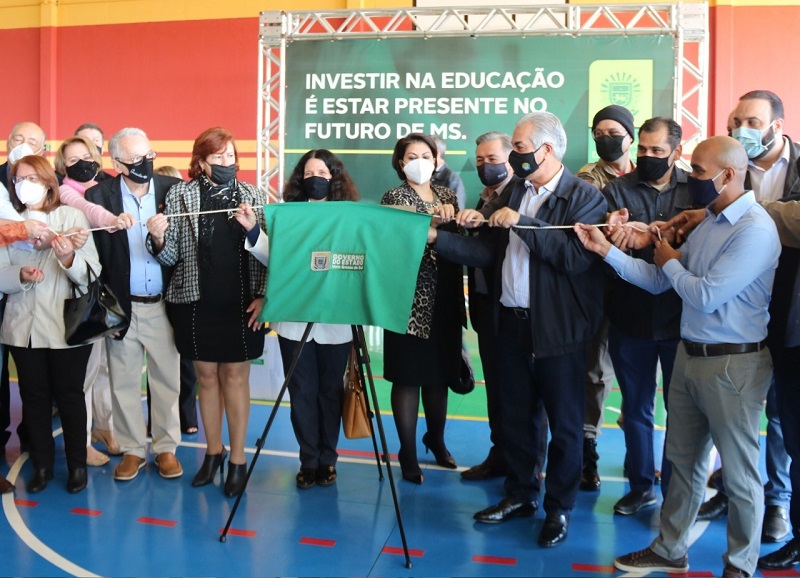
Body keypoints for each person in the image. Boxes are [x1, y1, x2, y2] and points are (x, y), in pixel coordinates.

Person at [576, 135, 779, 578]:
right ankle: (670, 548)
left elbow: (703, 295)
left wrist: (666, 256)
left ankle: (740, 565)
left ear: (728, 175)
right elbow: (656, 281)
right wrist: (605, 250)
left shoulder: (756, 230)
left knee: (741, 475)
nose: (693, 180)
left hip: (734, 364)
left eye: (701, 173)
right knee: (683, 464)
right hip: (691, 356)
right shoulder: (706, 223)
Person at [432, 112, 607, 547]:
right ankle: (521, 494)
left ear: (547, 150)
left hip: (559, 330)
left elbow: (573, 258)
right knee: (516, 418)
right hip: (509, 323)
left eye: (520, 147)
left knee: (565, 425)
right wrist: (441, 238)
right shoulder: (513, 190)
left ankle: (558, 508)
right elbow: (487, 254)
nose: (514, 155)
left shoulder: (584, 197)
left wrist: (523, 223)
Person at [694, 90, 798, 543]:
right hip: (737, 312)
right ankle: (732, 490)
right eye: (736, 120)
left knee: (781, 416)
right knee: (731, 410)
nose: (741, 128)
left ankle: (777, 499)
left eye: (752, 120)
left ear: (777, 125)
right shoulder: (728, 168)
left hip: (791, 313)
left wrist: (745, 208)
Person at [146, 127, 267, 497]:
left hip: (242, 303)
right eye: (219, 158)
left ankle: (238, 460)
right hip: (194, 302)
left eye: (231, 157)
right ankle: (213, 454)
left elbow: (267, 254)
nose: (227, 163)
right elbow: (171, 257)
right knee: (206, 378)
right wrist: (158, 237)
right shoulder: (181, 194)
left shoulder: (253, 195)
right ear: (201, 161)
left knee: (235, 377)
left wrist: (264, 295)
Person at [235, 149, 357, 489]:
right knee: (301, 392)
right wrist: (253, 231)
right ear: (300, 180)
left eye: (321, 170)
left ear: (334, 176)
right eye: (307, 171)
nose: (314, 176)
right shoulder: (287, 215)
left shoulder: (348, 216)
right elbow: (277, 258)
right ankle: (308, 460)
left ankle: (328, 460)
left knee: (330, 392)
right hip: (293, 322)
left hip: (336, 323)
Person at [600, 117, 693, 515]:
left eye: (657, 151)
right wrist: (610, 234)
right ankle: (641, 485)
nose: (648, 157)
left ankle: (675, 486)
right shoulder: (617, 190)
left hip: (681, 320)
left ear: (677, 151)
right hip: (630, 317)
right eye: (643, 150)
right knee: (635, 408)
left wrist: (664, 237)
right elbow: (602, 242)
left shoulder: (697, 190)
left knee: (681, 411)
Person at [85, 128, 184, 483]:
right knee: (123, 381)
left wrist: (161, 236)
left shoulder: (173, 190)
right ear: (117, 163)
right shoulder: (99, 196)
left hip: (163, 303)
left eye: (149, 155)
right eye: (136, 159)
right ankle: (131, 449)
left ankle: (166, 448)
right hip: (121, 306)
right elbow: (93, 255)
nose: (145, 163)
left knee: (167, 379)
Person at [2, 155, 101, 494]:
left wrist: (67, 257)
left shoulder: (72, 216)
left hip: (65, 327)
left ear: (48, 182)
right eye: (17, 179)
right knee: (33, 398)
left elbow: (91, 274)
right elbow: (1, 272)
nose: (23, 184)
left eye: (30, 177)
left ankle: (76, 465)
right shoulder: (9, 221)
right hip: (21, 327)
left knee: (71, 396)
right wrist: (20, 274)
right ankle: (42, 465)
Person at [455, 131, 547, 482]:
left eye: (493, 159)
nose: (485, 166)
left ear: (512, 158)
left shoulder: (518, 198)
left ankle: (530, 467)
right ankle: (501, 453)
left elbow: (489, 252)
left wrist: (439, 238)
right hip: (485, 307)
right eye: (479, 160)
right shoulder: (484, 199)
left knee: (526, 398)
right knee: (497, 388)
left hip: (517, 310)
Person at [380, 133, 465, 485]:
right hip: (405, 299)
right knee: (407, 376)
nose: (419, 160)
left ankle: (437, 440)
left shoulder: (449, 195)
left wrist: (453, 219)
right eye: (411, 155)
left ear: (436, 159)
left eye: (426, 155)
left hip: (444, 296)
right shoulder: (393, 197)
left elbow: (460, 243)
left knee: (439, 374)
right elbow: (391, 240)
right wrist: (430, 220)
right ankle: (408, 451)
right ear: (401, 162)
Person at [55, 135, 131, 466]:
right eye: (73, 160)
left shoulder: (107, 185)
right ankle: (82, 443)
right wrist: (113, 221)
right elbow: (90, 210)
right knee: (84, 375)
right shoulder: (66, 192)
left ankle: (105, 428)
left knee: (103, 370)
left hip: (108, 286)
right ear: (63, 167)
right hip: (81, 290)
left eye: (87, 155)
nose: (82, 162)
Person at [576, 104, 636, 492]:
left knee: (640, 377)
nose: (605, 139)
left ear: (630, 136)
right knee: (596, 371)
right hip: (600, 285)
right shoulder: (588, 176)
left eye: (613, 131)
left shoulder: (650, 175)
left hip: (644, 290)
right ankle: (588, 450)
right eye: (598, 132)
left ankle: (639, 452)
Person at [153, 165, 197, 436]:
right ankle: (155, 421)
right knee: (159, 367)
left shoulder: (188, 219)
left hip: (183, 298)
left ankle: (188, 416)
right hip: (157, 299)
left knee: (186, 363)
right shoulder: (153, 222)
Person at [0, 122, 46, 190]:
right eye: (18, 140)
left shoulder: (53, 182)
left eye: (32, 143)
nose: (23, 146)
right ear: (7, 144)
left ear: (41, 152)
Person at [430, 135, 467, 211]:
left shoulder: (453, 179)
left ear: (437, 152)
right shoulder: (425, 176)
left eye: (425, 153)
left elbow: (456, 212)